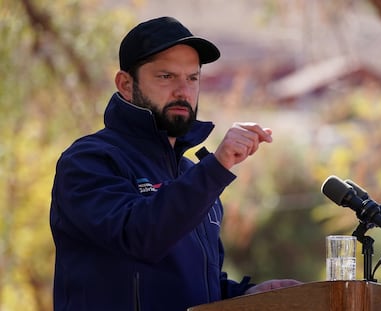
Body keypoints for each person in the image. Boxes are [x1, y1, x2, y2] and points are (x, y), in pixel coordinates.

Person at [50, 16, 300, 311]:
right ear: (126, 85)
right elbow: (139, 237)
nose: (183, 90)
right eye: (166, 76)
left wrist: (249, 295)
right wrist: (216, 167)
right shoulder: (89, 161)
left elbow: (198, 287)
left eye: (192, 78)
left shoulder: (192, 174)